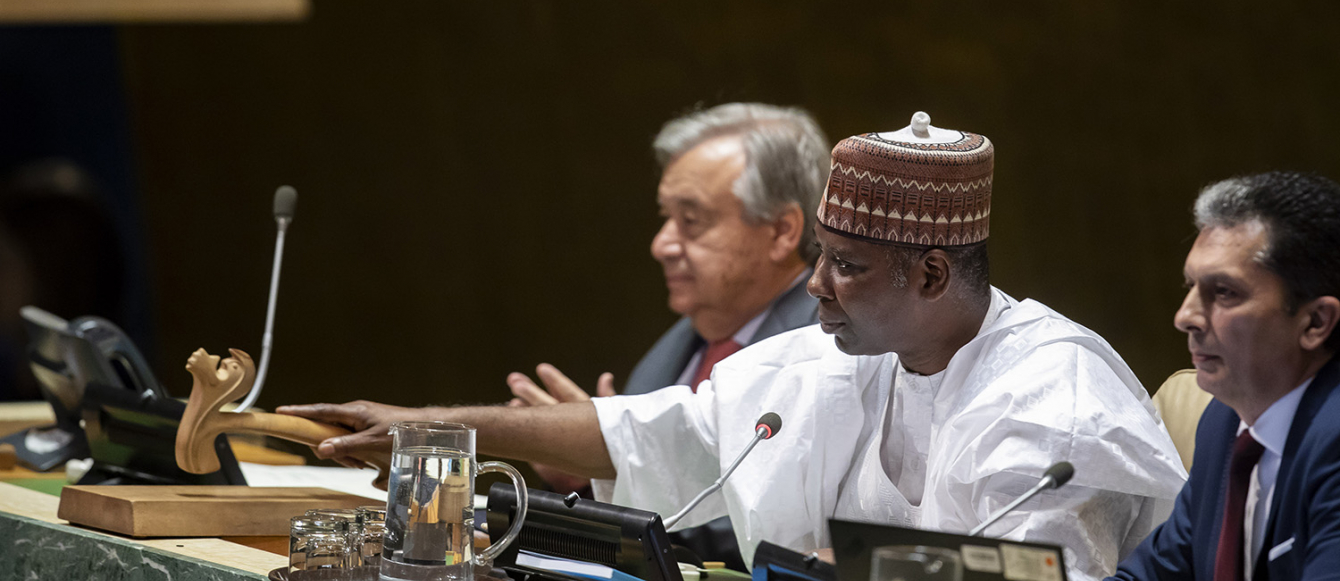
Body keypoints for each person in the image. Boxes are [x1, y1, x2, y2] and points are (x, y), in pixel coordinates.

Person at [280, 113, 1186, 580]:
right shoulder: (841, 356)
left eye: (846, 266)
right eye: (821, 259)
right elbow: (653, 433)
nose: (817, 286)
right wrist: (425, 426)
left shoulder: (1055, 402)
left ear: (934, 275)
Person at [505, 102, 830, 567]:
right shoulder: (682, 341)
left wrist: (609, 474)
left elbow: (764, 534)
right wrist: (584, 472)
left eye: (691, 220)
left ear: (781, 231)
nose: (662, 244)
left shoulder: (824, 351)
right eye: (666, 217)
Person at [1111, 173, 1340, 581]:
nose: (1185, 317)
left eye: (1224, 292)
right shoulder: (1225, 422)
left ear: (1315, 322)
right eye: (1191, 286)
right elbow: (1153, 574)